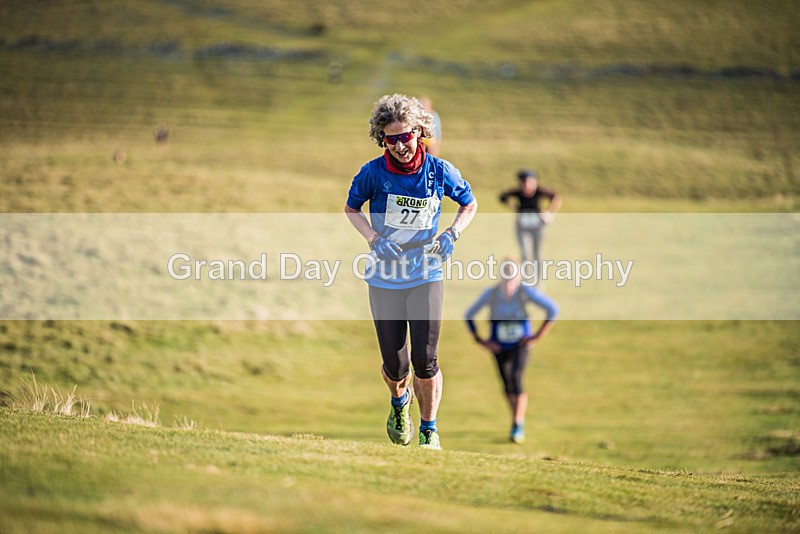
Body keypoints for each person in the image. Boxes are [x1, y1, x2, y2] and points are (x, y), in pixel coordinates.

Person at [345, 94, 478, 450]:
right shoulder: (372, 173)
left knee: (425, 358)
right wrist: (373, 239)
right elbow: (351, 208)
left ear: (420, 132)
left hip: (426, 271)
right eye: (392, 139)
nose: (401, 145)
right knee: (396, 364)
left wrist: (453, 233)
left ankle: (429, 431)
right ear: (382, 140)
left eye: (406, 136)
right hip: (385, 276)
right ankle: (398, 402)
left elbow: (469, 202)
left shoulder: (440, 171)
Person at [464, 259, 558, 443]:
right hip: (499, 346)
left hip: (520, 345)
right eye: (506, 277)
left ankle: (517, 423)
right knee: (506, 384)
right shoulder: (491, 294)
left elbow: (552, 309)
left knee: (516, 378)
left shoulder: (525, 292)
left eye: (512, 277)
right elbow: (469, 315)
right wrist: (481, 341)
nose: (509, 282)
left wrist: (537, 336)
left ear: (518, 277)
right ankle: (515, 418)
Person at [499, 169, 562, 275]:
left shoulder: (539, 192)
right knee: (525, 253)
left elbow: (556, 198)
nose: (526, 186)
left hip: (538, 226)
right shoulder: (518, 193)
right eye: (523, 183)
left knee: (537, 253)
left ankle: (538, 280)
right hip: (522, 226)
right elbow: (502, 197)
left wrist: (549, 212)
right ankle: (526, 279)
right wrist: (514, 207)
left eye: (528, 182)